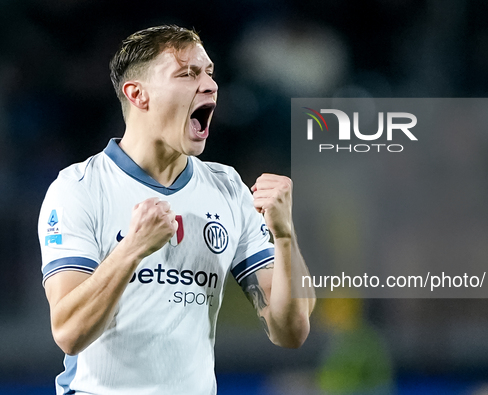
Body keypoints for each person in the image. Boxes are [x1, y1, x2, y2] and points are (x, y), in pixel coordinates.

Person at [37, 25, 315, 395]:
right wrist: (133, 248)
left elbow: (291, 331)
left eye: (209, 73)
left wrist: (284, 235)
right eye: (187, 74)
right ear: (138, 94)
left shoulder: (227, 188)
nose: (210, 85)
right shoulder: (79, 188)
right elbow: (69, 334)